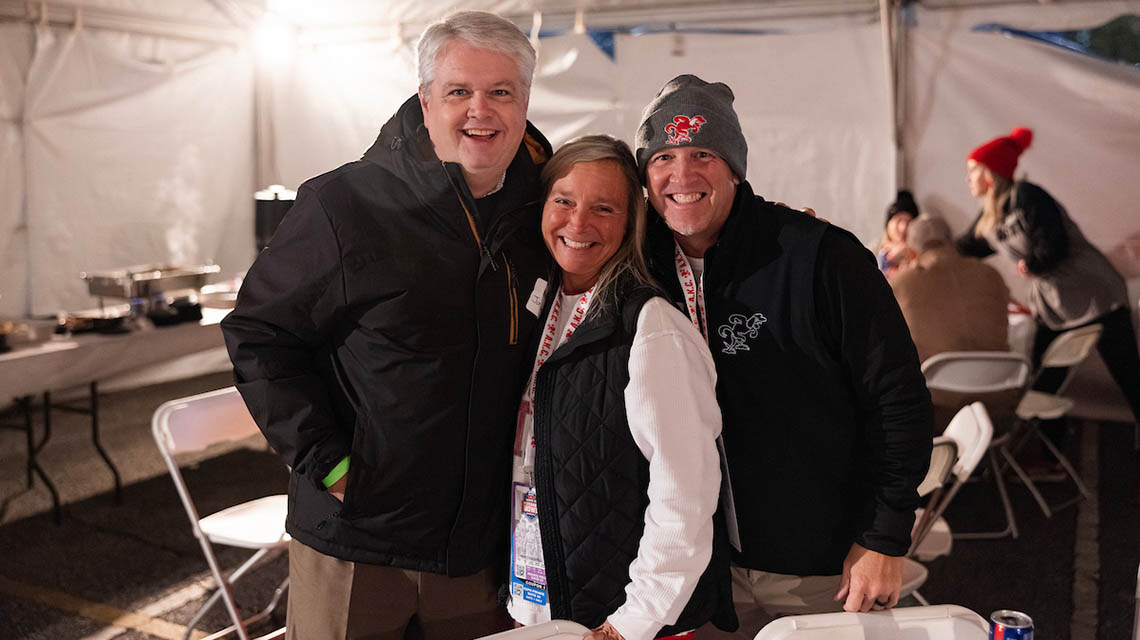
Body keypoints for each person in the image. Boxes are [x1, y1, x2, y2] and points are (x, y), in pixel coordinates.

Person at [220, 12, 553, 639]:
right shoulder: (345, 204)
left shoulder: (544, 215)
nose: (479, 111)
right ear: (425, 100)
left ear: (525, 101)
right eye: (458, 91)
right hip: (359, 543)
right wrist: (331, 466)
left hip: (479, 548)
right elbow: (259, 334)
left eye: (500, 92)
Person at [635, 75, 932, 635]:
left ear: (735, 167)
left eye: (703, 153)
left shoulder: (820, 257)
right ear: (645, 178)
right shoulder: (638, 269)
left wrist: (885, 536)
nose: (683, 175)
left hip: (823, 568)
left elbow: (899, 401)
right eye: (664, 157)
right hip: (699, 574)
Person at [507, 135, 737, 640]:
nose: (578, 223)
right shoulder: (535, 308)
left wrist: (630, 623)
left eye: (604, 208)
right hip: (541, 603)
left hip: (623, 623)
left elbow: (687, 494)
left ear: (632, 221)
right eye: (563, 200)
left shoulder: (651, 326)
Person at [956, 127, 1140, 469]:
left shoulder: (1027, 195)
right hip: (1059, 305)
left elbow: (1053, 243)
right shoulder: (991, 215)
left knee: (1130, 378)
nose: (968, 179)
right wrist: (924, 252)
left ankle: (1050, 450)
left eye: (973, 171)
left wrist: (1033, 263)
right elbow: (964, 248)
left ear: (991, 173)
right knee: (1045, 378)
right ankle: (1049, 452)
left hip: (1095, 293)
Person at [890, 214, 1011, 430]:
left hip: (938, 412)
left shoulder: (902, 284)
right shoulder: (991, 275)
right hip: (1000, 402)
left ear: (911, 251)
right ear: (951, 240)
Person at [876, 190, 919, 277]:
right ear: (888, 224)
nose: (903, 228)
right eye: (899, 221)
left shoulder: (920, 253)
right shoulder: (874, 251)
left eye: (909, 222)